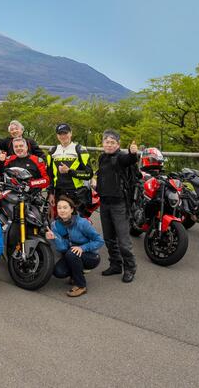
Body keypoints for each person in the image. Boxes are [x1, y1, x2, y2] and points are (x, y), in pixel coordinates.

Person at [96, 130, 139, 283]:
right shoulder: (102, 157)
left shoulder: (121, 157)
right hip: (105, 202)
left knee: (123, 240)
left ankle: (130, 268)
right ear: (103, 144)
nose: (109, 144)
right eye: (106, 142)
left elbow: (130, 159)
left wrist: (133, 153)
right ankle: (115, 264)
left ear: (118, 145)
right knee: (109, 238)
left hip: (119, 203)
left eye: (112, 142)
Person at [46, 196, 104, 296]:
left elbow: (99, 241)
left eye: (65, 207)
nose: (62, 210)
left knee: (71, 253)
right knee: (58, 271)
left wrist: (82, 248)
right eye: (59, 208)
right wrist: (54, 238)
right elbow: (62, 248)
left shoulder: (82, 223)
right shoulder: (55, 225)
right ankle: (75, 273)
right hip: (71, 254)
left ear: (71, 209)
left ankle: (81, 286)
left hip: (90, 256)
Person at [46, 123, 93, 212]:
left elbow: (89, 174)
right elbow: (50, 175)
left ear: (71, 133)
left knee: (76, 223)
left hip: (76, 193)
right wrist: (51, 193)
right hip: (59, 193)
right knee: (60, 221)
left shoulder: (80, 149)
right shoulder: (52, 151)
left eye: (65, 133)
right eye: (60, 134)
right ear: (57, 136)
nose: (63, 136)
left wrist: (69, 171)